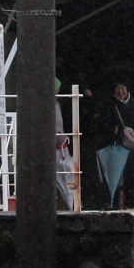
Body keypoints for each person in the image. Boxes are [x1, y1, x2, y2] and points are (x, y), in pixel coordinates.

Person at [105, 81, 134, 208]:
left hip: (130, 146)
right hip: (115, 146)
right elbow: (105, 124)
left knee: (130, 177)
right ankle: (114, 205)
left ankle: (129, 204)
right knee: (114, 177)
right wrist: (115, 132)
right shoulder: (110, 105)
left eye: (123, 88)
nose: (121, 92)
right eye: (118, 88)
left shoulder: (133, 106)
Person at [55, 78, 75, 210]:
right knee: (66, 175)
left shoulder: (55, 104)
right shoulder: (52, 105)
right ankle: (72, 204)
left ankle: (71, 203)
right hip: (58, 147)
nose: (59, 90)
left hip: (59, 145)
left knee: (65, 176)